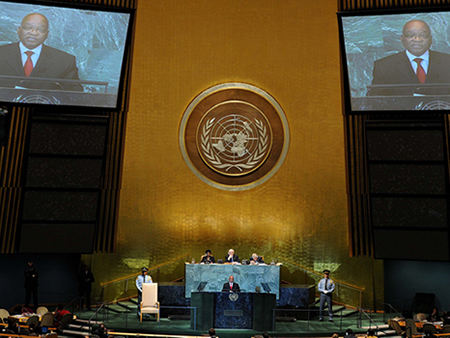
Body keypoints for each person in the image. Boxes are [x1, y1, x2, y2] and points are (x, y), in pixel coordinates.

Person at [0, 13, 83, 91]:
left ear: (47, 34)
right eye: (28, 27)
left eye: (40, 29)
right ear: (18, 30)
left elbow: (75, 94)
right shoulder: (1, 53)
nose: (33, 33)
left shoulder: (65, 61)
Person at [369, 19, 450, 96]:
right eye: (411, 35)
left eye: (423, 35)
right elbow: (375, 101)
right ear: (402, 38)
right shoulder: (384, 66)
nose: (417, 39)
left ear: (431, 39)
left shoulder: (447, 62)